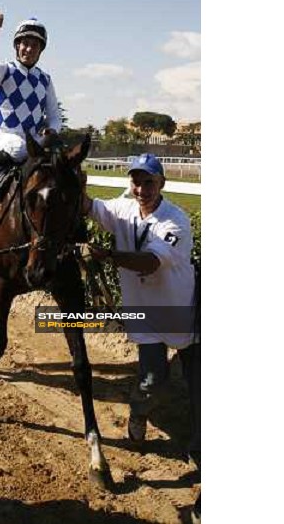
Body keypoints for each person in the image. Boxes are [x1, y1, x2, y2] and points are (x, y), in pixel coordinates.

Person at [82, 153, 200, 515]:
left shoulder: (175, 221)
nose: (141, 188)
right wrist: (72, 180)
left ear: (161, 184)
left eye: (149, 182)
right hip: (143, 313)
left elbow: (149, 261)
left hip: (181, 311)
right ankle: (138, 412)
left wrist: (103, 254)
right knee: (151, 378)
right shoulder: (123, 207)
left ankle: (201, 449)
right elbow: (88, 207)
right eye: (136, 181)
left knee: (201, 387)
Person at [0, 8, 62, 195]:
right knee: (20, 148)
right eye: (25, 43)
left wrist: (53, 130)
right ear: (17, 46)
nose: (29, 49)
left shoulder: (45, 79)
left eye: (35, 45)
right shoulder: (4, 71)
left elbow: (54, 115)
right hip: (4, 137)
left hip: (33, 140)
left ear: (40, 50)